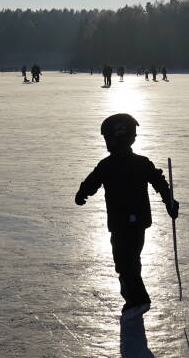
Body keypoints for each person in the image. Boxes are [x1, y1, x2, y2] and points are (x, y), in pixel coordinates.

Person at [75, 113, 179, 318]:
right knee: (130, 259)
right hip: (133, 221)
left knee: (125, 261)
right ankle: (134, 298)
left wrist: (170, 201)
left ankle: (137, 300)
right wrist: (169, 201)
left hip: (124, 222)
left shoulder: (112, 165)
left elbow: (158, 182)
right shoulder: (131, 163)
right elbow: (159, 183)